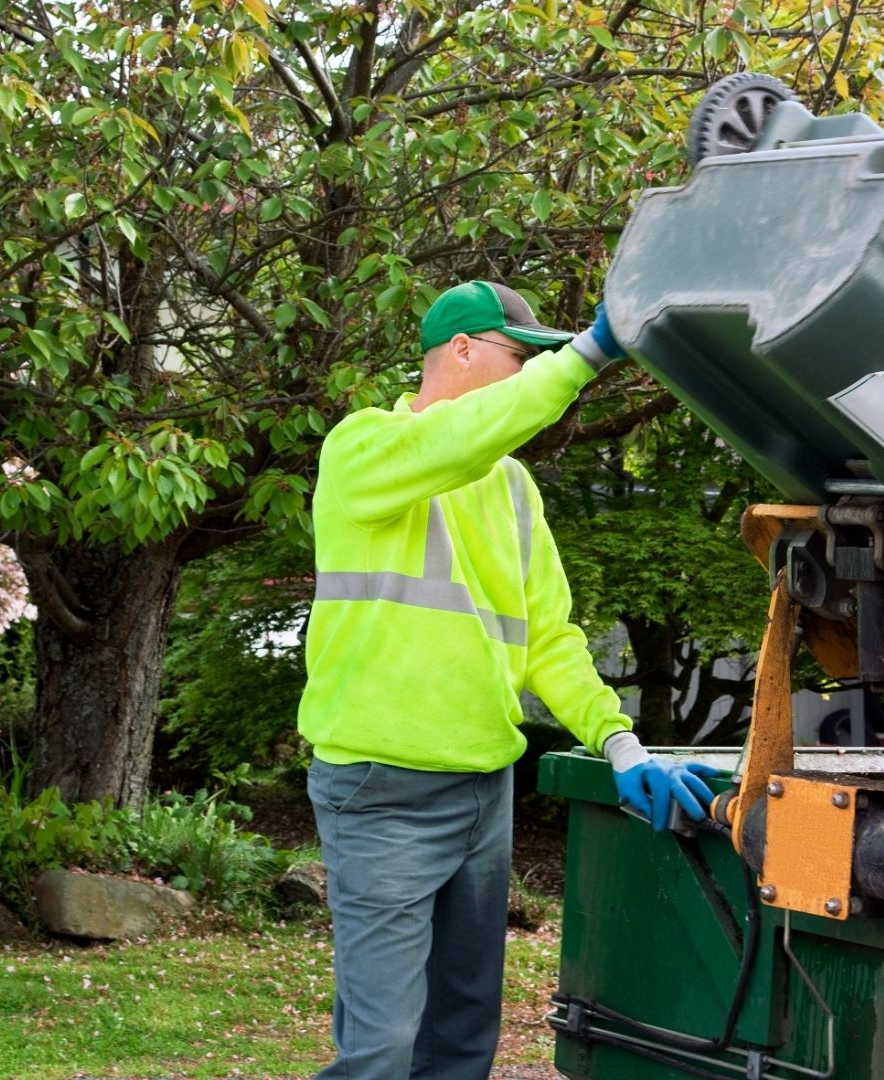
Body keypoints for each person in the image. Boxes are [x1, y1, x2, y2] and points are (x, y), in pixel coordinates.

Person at [298, 280, 720, 1080]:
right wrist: (586, 357)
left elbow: (549, 640)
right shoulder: (361, 449)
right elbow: (460, 437)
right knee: (382, 1047)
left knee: (462, 1040)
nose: (531, 376)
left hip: (482, 793)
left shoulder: (514, 490)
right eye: (518, 357)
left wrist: (619, 741)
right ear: (460, 351)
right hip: (380, 791)